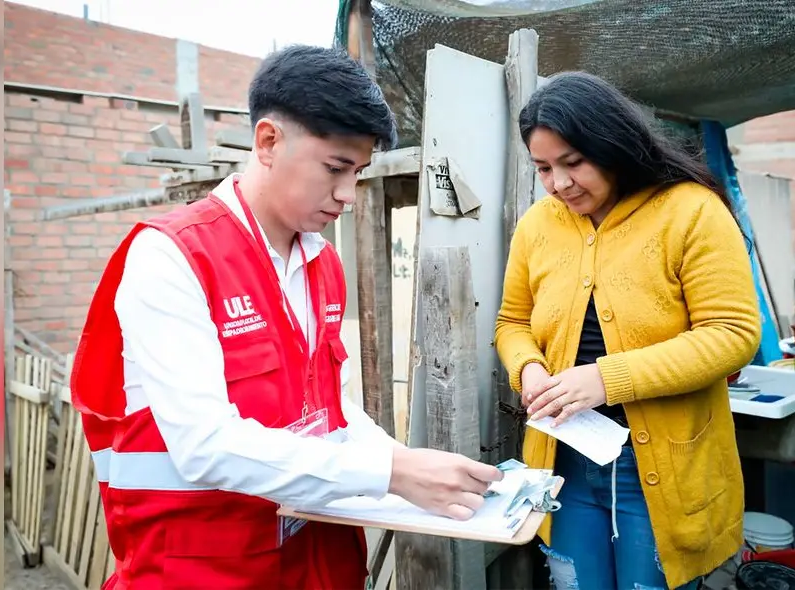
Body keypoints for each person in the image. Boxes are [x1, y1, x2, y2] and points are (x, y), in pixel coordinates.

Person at [71, 44, 502, 590]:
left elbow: (325, 406)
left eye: (359, 171)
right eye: (335, 168)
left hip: (313, 562)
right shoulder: (172, 256)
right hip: (203, 569)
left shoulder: (321, 261)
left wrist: (402, 458)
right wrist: (392, 473)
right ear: (269, 141)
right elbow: (205, 444)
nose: (348, 194)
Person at [494, 71, 762, 590]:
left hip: (662, 465)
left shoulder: (689, 210)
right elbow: (513, 322)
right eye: (544, 168)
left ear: (614, 144)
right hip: (565, 457)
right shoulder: (538, 225)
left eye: (574, 162)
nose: (559, 183)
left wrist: (605, 379)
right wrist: (527, 368)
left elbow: (732, 333)